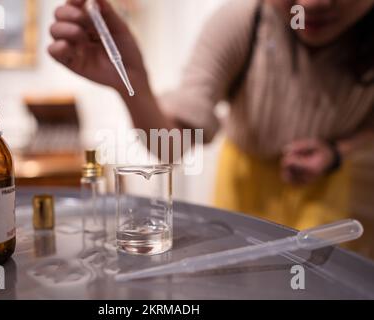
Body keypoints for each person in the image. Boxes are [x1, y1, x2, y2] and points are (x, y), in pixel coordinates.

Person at [49, 0, 374, 256]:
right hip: (246, 189)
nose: (313, 4)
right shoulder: (244, 21)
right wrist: (133, 84)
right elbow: (170, 146)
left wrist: (337, 153)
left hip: (333, 193)